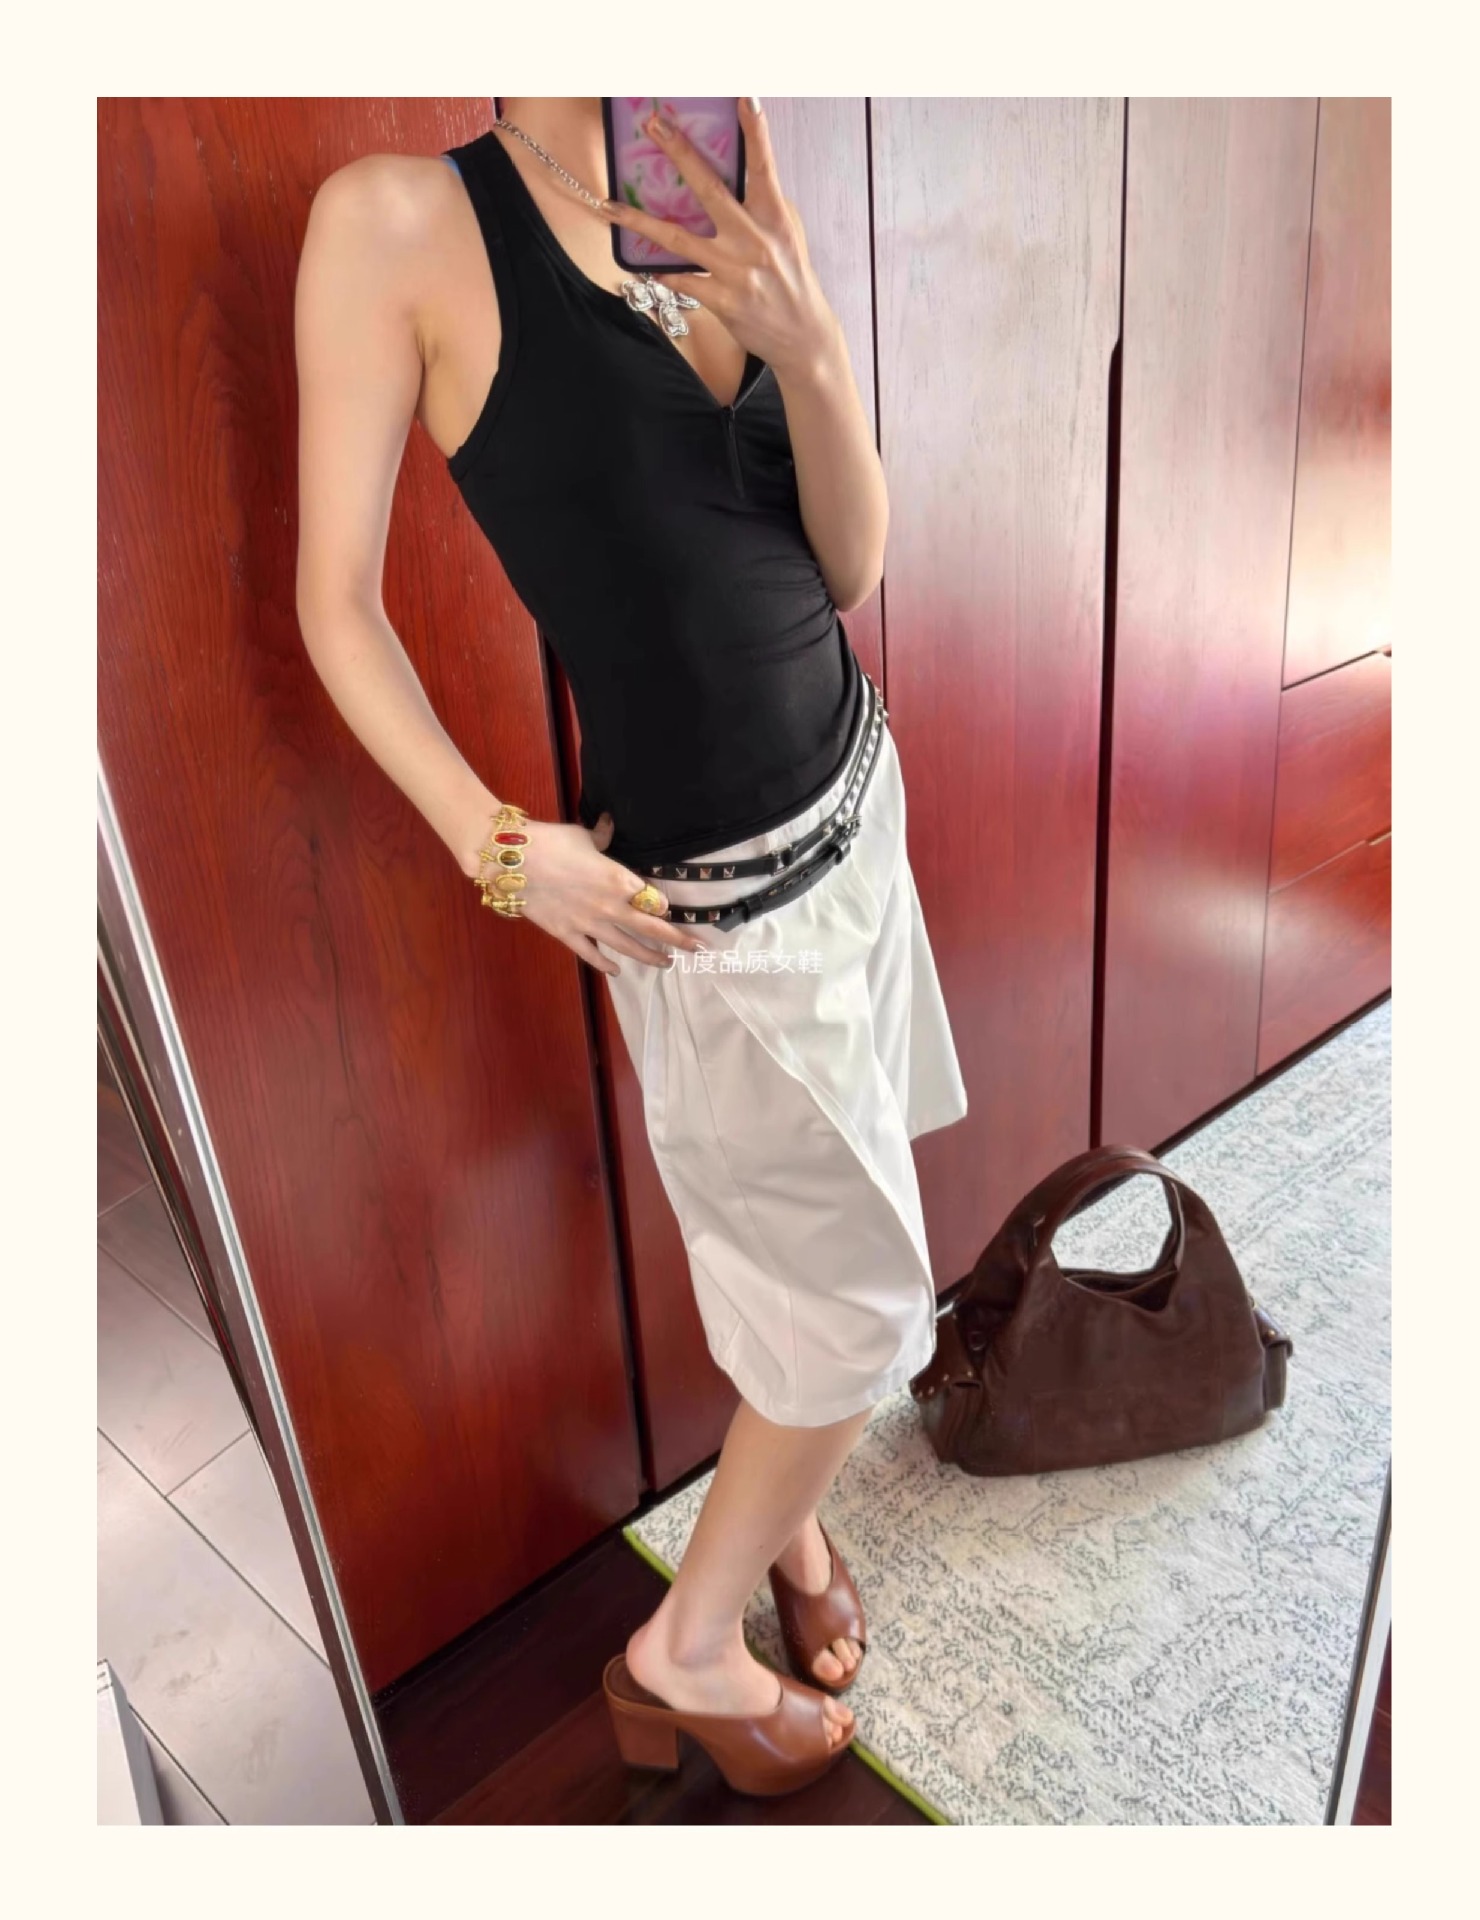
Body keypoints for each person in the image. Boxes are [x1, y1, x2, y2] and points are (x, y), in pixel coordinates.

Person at [295, 95, 968, 1798]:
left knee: (785, 1237)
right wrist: (498, 847)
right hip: (712, 902)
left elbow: (847, 566)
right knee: (855, 1307)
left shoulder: (709, 160)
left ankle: (787, 1535)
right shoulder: (397, 224)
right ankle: (685, 1655)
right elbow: (334, 602)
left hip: (857, 803)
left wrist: (812, 353)